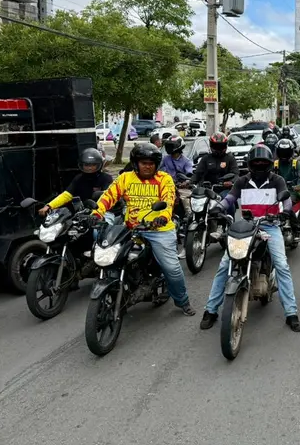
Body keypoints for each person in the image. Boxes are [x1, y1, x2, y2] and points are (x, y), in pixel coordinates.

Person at [200, 145, 300, 332]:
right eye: (257, 162)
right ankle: (211, 310)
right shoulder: (242, 181)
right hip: (245, 227)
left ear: (270, 164)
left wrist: (286, 211)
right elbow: (230, 199)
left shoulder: (277, 180)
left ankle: (291, 313)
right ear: (250, 164)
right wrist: (218, 208)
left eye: (264, 162)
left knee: (282, 265)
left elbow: (286, 200)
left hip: (270, 227)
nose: (260, 165)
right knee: (225, 265)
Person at [93, 143, 196, 315]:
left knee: (171, 268)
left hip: (158, 229)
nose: (147, 166)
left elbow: (168, 199)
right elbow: (109, 196)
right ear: (135, 163)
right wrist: (96, 213)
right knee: (110, 256)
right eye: (143, 163)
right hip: (130, 229)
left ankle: (182, 301)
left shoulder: (164, 179)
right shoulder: (125, 178)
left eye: (151, 163)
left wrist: (162, 217)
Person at [41, 148, 119, 219]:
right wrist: (49, 206)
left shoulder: (106, 178)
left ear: (99, 165)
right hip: (83, 214)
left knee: (97, 232)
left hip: (104, 212)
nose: (89, 168)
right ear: (81, 165)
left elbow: (107, 197)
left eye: (93, 165)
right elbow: (66, 195)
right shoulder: (78, 178)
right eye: (86, 165)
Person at [274, 138, 300, 242]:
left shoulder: (296, 164)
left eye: (286, 152)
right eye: (282, 152)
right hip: (276, 192)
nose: (284, 154)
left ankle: (297, 230)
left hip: (292, 192)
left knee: (288, 207)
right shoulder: (275, 164)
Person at [191, 132, 238, 198]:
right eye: (216, 146)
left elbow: (236, 174)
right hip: (207, 190)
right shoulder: (205, 158)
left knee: (227, 199)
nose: (218, 149)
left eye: (221, 146)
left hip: (224, 189)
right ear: (211, 146)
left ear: (225, 146)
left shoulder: (230, 158)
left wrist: (231, 182)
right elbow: (197, 174)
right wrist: (189, 182)